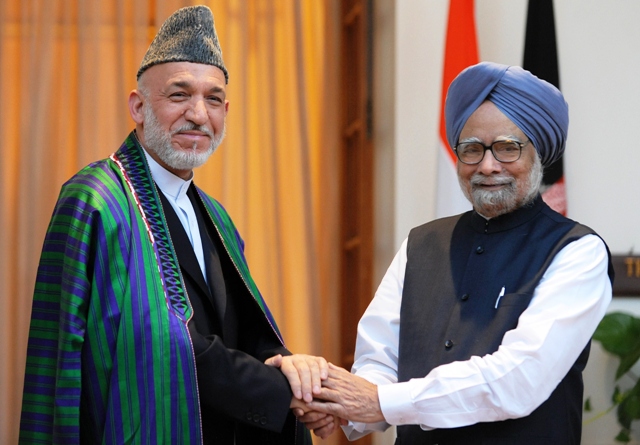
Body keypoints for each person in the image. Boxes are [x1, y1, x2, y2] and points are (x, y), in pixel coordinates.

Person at [19, 6, 327, 444]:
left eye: (214, 99)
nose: (199, 115)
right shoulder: (96, 201)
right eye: (179, 95)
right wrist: (283, 394)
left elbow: (240, 330)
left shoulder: (216, 216)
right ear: (139, 106)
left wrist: (289, 366)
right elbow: (156, 342)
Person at [302, 62, 614, 444]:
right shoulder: (421, 245)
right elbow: (379, 358)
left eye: (506, 147)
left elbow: (518, 380)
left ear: (538, 153)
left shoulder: (578, 252)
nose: (487, 165)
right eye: (471, 149)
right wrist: (341, 402)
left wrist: (381, 403)